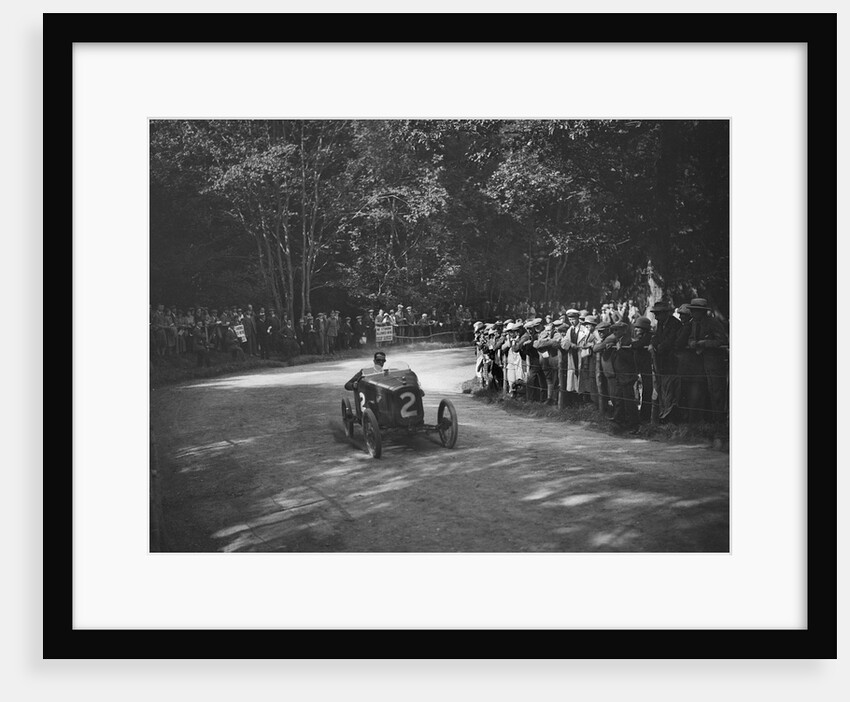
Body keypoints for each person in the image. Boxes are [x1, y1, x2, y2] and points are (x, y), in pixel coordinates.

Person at [648, 300, 682, 422]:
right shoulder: (661, 324)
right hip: (663, 363)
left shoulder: (674, 324)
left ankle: (671, 420)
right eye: (655, 314)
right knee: (663, 391)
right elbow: (656, 337)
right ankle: (664, 417)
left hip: (673, 363)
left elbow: (669, 341)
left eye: (658, 314)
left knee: (671, 392)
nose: (656, 317)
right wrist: (653, 344)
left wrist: (658, 347)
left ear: (666, 313)